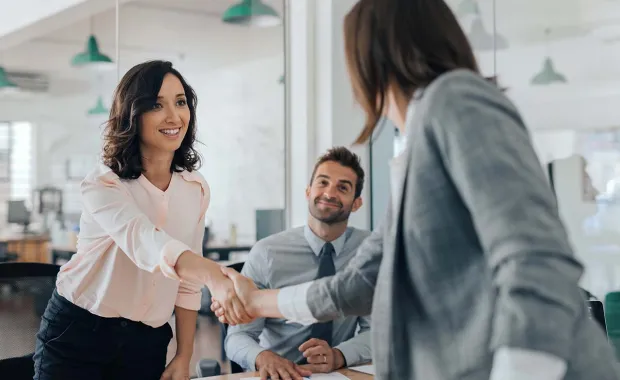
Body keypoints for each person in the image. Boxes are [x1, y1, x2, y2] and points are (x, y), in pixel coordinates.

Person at [212, 1, 620, 379]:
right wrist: (259, 301)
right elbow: (360, 284)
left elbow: (536, 257)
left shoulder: (456, 99)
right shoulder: (412, 154)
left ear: (372, 56)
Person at [33, 60, 251, 380]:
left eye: (180, 102)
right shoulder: (104, 183)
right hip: (79, 333)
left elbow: (186, 282)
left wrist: (185, 353)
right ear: (133, 115)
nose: (174, 116)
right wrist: (216, 278)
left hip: (146, 341)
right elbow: (145, 242)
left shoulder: (195, 188)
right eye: (156, 105)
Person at [225, 147, 372, 380]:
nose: (329, 193)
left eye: (342, 187)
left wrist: (339, 355)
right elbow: (237, 337)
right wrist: (263, 357)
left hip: (337, 373)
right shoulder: (267, 253)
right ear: (308, 192)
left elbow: (378, 330)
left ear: (356, 203)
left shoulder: (369, 251)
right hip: (277, 374)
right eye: (322, 183)